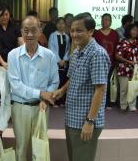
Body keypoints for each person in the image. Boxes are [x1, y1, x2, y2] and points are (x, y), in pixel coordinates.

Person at [53, 13, 110, 161]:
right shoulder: (77, 51)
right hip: (72, 117)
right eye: (72, 30)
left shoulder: (97, 54)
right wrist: (61, 91)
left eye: (79, 30)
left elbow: (100, 90)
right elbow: (72, 78)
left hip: (85, 121)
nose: (74, 34)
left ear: (90, 31)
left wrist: (90, 121)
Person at [7, 16, 59, 161]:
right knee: (21, 147)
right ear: (21, 32)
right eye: (26, 30)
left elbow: (54, 81)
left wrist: (45, 99)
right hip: (20, 107)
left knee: (40, 147)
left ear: (40, 31)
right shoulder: (13, 55)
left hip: (42, 108)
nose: (29, 34)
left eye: (33, 30)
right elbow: (16, 85)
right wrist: (41, 94)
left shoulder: (49, 56)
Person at [93, 13, 119, 109]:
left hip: (111, 62)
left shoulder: (115, 33)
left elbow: (117, 48)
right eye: (103, 19)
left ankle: (107, 102)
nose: (105, 21)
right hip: (99, 62)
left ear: (111, 21)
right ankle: (97, 102)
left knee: (107, 82)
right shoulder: (96, 33)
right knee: (99, 83)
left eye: (107, 19)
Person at [0, 3, 24, 69]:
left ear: (9, 14)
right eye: (1, 15)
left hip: (14, 59)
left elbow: (21, 42)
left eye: (6, 14)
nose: (4, 17)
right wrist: (2, 62)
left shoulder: (15, 26)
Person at [115, 24, 138, 111]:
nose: (135, 32)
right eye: (133, 30)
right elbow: (117, 56)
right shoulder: (123, 42)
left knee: (134, 88)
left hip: (135, 70)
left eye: (136, 30)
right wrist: (129, 62)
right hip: (124, 68)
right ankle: (123, 106)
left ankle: (132, 106)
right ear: (129, 31)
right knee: (124, 89)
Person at [48, 17, 70, 107]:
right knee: (55, 81)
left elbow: (68, 49)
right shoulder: (53, 35)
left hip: (64, 62)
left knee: (63, 81)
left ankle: (61, 101)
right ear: (56, 25)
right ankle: (54, 101)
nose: (61, 25)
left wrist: (64, 59)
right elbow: (51, 48)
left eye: (63, 23)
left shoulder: (67, 36)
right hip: (55, 62)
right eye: (59, 23)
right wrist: (58, 60)